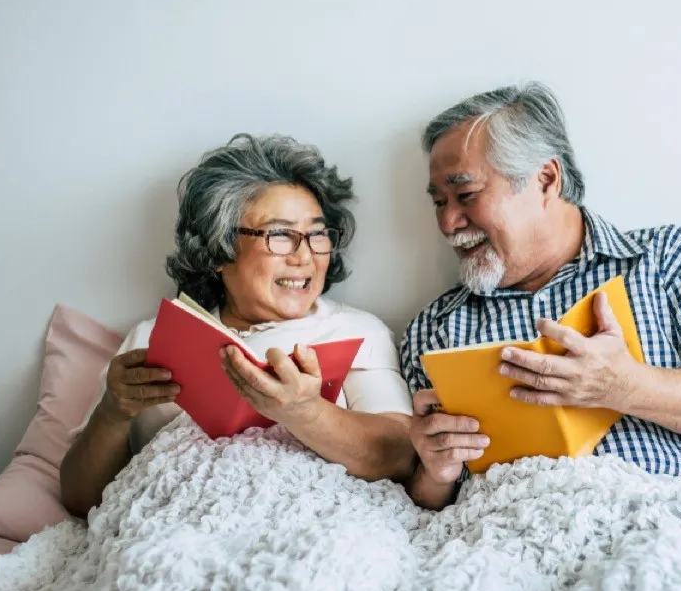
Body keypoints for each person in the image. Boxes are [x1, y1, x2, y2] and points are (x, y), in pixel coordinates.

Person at [400, 83, 681, 510]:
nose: (449, 223)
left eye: (466, 195)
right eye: (439, 202)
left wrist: (623, 386)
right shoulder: (434, 328)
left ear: (545, 180)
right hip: (511, 545)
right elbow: (426, 505)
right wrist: (435, 472)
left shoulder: (665, 259)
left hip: (661, 528)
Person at [61, 134, 416, 517]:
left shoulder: (357, 330)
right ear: (219, 250)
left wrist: (305, 412)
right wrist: (113, 412)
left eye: (316, 234)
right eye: (280, 235)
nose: (304, 256)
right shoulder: (153, 338)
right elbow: (82, 501)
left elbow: (399, 457)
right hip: (178, 523)